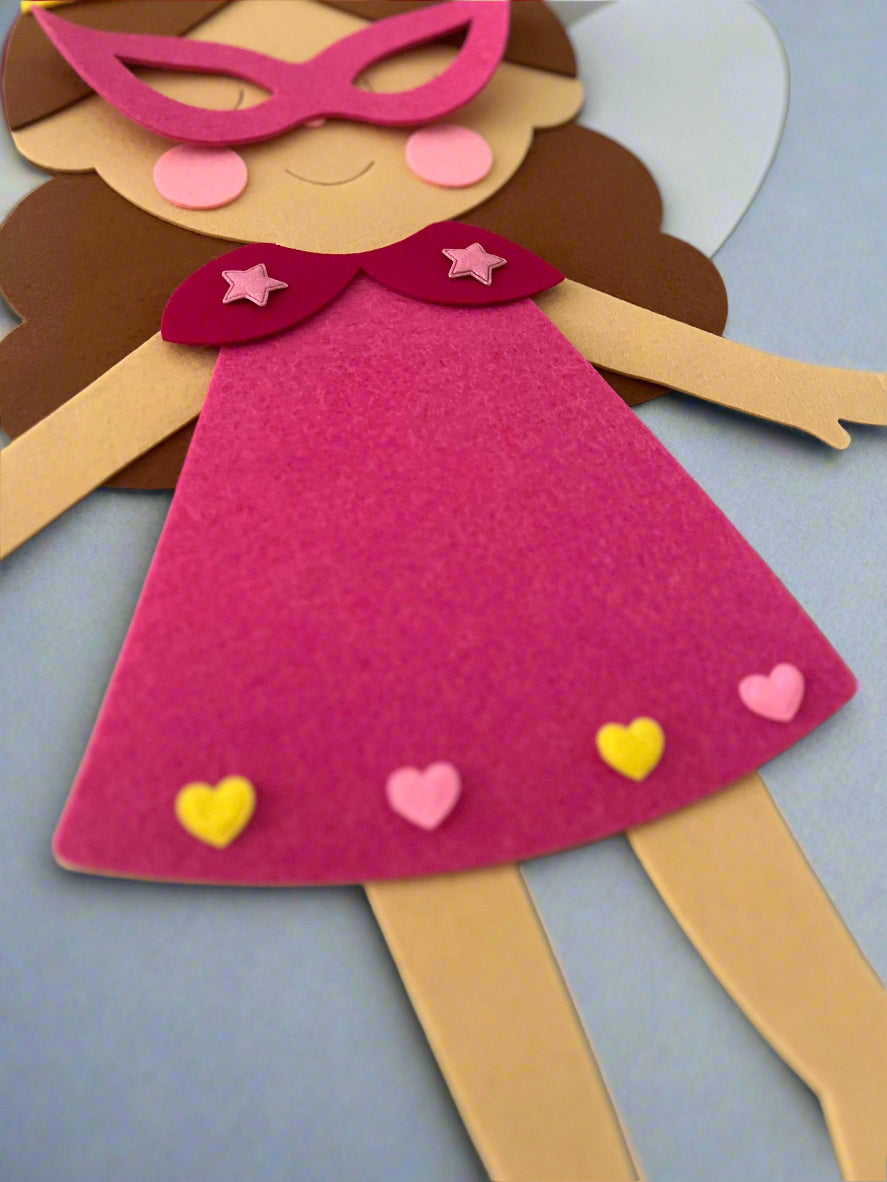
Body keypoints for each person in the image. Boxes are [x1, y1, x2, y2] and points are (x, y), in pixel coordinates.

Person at [1, 3, 884, 1178]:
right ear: (93, 142)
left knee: (705, 804)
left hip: (598, 576)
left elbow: (633, 336)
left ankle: (860, 1074)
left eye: (396, 84)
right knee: (435, 870)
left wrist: (792, 388)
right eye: (223, 116)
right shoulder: (219, 321)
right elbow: (78, 440)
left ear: (514, 89)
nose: (322, 143)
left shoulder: (491, 272)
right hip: (351, 637)